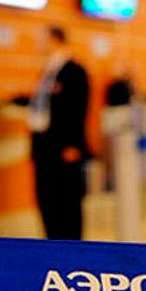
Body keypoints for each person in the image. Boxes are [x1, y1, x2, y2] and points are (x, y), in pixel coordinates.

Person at [15, 26, 90, 240]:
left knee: (67, 201)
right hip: (44, 146)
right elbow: (42, 102)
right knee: (47, 200)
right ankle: (51, 246)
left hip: (64, 148)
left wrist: (73, 145)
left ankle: (71, 249)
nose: (38, 44)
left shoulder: (74, 71)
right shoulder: (48, 70)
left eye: (42, 39)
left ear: (55, 40)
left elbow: (77, 110)